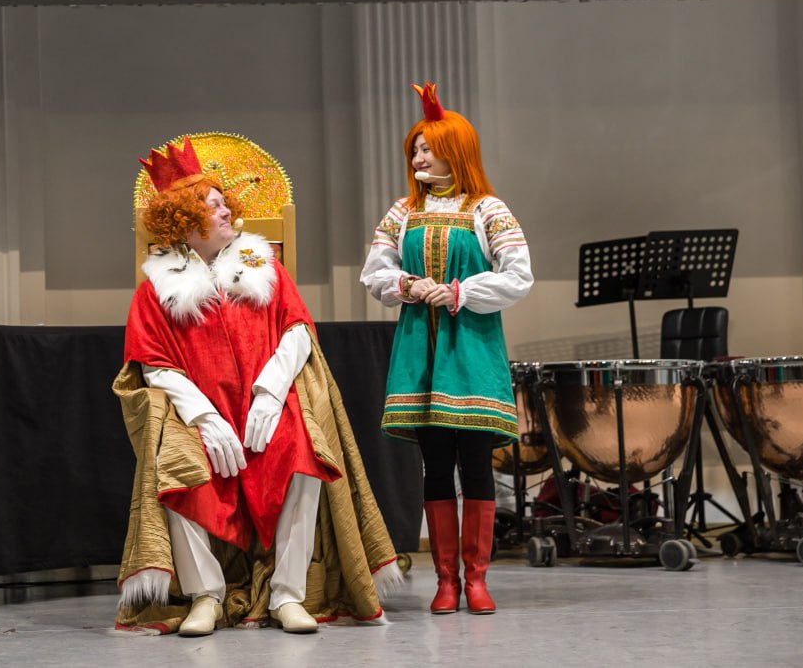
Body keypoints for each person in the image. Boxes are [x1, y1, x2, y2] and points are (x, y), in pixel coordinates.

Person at [114, 136, 401, 636]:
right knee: (177, 463)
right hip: (198, 410)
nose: (227, 210)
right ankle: (205, 594)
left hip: (264, 402)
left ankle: (288, 593)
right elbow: (153, 364)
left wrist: (270, 393)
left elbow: (297, 331)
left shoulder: (262, 269)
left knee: (302, 449)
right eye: (213, 205)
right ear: (184, 220)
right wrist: (205, 418)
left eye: (224, 202)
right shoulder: (155, 290)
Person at [360, 82, 533, 616]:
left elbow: (519, 275)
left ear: (456, 152)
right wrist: (409, 285)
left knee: (476, 463)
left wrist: (460, 292)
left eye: (428, 148)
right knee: (435, 464)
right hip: (422, 348)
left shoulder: (488, 209)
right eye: (415, 148)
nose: (419, 157)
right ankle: (445, 581)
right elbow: (375, 272)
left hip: (472, 346)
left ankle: (476, 579)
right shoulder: (401, 212)